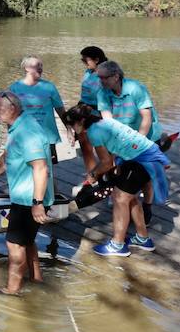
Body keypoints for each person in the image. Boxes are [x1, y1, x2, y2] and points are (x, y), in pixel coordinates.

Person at [62, 103, 170, 258]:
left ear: (79, 122)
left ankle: (118, 245)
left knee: (120, 198)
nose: (72, 129)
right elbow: (114, 150)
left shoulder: (94, 132)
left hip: (144, 160)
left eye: (72, 126)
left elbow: (105, 162)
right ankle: (142, 238)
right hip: (144, 156)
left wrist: (92, 175)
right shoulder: (104, 122)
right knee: (129, 197)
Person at [0, 92, 52, 294]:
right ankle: (36, 279)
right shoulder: (17, 127)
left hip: (29, 199)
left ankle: (12, 291)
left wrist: (37, 203)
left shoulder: (28, 132)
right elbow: (10, 155)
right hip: (24, 197)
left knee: (14, 245)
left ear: (13, 108)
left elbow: (41, 168)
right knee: (27, 241)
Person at [8, 56, 69, 163]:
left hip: (47, 136)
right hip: (25, 135)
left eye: (41, 65)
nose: (40, 68)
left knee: (48, 168)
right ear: (26, 68)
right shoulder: (15, 88)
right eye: (37, 65)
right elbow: (10, 113)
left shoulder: (49, 87)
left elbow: (60, 109)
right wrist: (10, 134)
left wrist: (68, 129)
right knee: (26, 165)